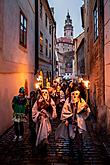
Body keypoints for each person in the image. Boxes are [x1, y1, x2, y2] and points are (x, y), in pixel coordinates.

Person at [55, 86, 90, 161]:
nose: (75, 96)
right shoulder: (68, 101)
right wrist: (67, 119)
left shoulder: (81, 101)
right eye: (73, 94)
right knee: (71, 137)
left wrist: (85, 109)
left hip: (79, 123)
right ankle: (72, 150)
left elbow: (86, 111)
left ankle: (80, 152)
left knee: (79, 137)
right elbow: (64, 112)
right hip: (71, 123)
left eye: (77, 94)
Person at [32, 88, 57, 152]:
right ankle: (41, 145)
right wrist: (39, 114)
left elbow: (53, 109)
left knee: (46, 132)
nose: (44, 94)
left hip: (46, 120)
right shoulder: (37, 101)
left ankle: (45, 146)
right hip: (40, 120)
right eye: (43, 93)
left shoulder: (50, 101)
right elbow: (34, 110)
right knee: (39, 132)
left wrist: (48, 112)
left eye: (46, 93)